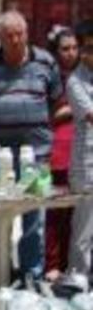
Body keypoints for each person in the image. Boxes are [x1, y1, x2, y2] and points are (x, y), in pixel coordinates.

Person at [0, 10, 63, 280]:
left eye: (19, 34)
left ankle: (30, 275)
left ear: (27, 34)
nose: (15, 40)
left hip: (36, 155)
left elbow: (55, 102)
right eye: (8, 35)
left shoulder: (46, 62)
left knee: (33, 217)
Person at [45, 26, 80, 277]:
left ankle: (73, 266)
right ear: (56, 52)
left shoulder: (85, 76)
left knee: (77, 215)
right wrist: (73, 110)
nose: (70, 53)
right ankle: (52, 265)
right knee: (55, 214)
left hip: (81, 155)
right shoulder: (50, 77)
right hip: (57, 151)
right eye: (64, 49)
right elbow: (46, 114)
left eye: (74, 48)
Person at [66, 19, 93, 276]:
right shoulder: (75, 81)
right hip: (87, 167)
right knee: (84, 232)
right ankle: (77, 283)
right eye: (86, 48)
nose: (89, 54)